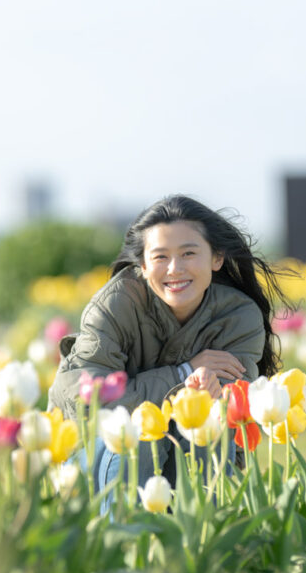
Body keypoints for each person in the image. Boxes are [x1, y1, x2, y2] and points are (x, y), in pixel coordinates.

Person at [48, 194, 291, 499]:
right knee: (138, 437)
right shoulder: (115, 305)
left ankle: (197, 537)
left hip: (188, 453)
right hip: (99, 456)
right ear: (143, 265)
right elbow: (87, 398)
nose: (175, 269)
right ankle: (124, 540)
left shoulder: (237, 317)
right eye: (160, 257)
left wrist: (208, 389)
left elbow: (232, 406)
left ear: (216, 258)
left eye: (189, 253)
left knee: (208, 426)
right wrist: (183, 375)